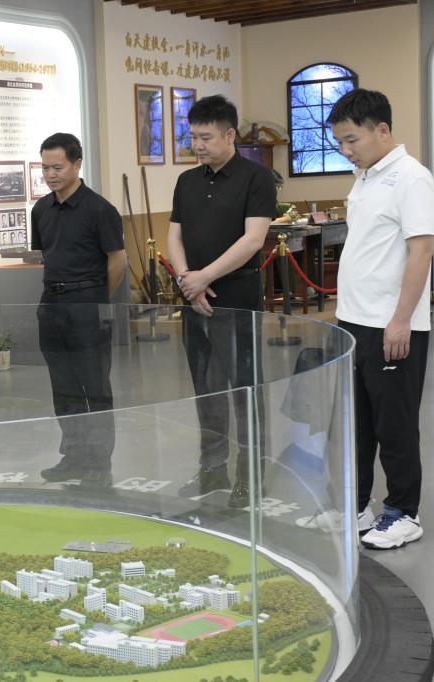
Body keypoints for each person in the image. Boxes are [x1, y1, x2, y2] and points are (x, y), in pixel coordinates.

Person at [324, 89, 434, 549]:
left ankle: (404, 513)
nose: (346, 150)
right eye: (340, 142)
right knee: (358, 423)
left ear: (382, 130)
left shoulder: (412, 178)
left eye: (352, 140)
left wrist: (401, 320)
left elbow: (422, 250)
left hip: (391, 324)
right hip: (354, 321)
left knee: (395, 425)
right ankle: (357, 507)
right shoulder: (365, 177)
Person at [167, 95, 275, 509]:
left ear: (230, 135)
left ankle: (250, 477)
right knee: (205, 388)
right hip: (193, 297)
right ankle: (212, 468)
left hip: (236, 295)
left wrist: (205, 277)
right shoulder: (187, 181)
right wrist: (187, 280)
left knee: (245, 389)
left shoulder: (256, 178)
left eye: (206, 137)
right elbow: (174, 234)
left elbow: (253, 239)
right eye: (193, 137)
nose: (198, 145)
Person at [32, 133, 127, 488]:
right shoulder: (41, 210)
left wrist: (97, 298)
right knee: (64, 386)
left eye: (57, 167)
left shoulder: (99, 209)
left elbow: (118, 261)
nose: (50, 174)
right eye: (45, 168)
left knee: (95, 386)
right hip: (51, 304)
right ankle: (73, 456)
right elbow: (47, 255)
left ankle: (99, 462)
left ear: (76, 164)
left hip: (88, 304)